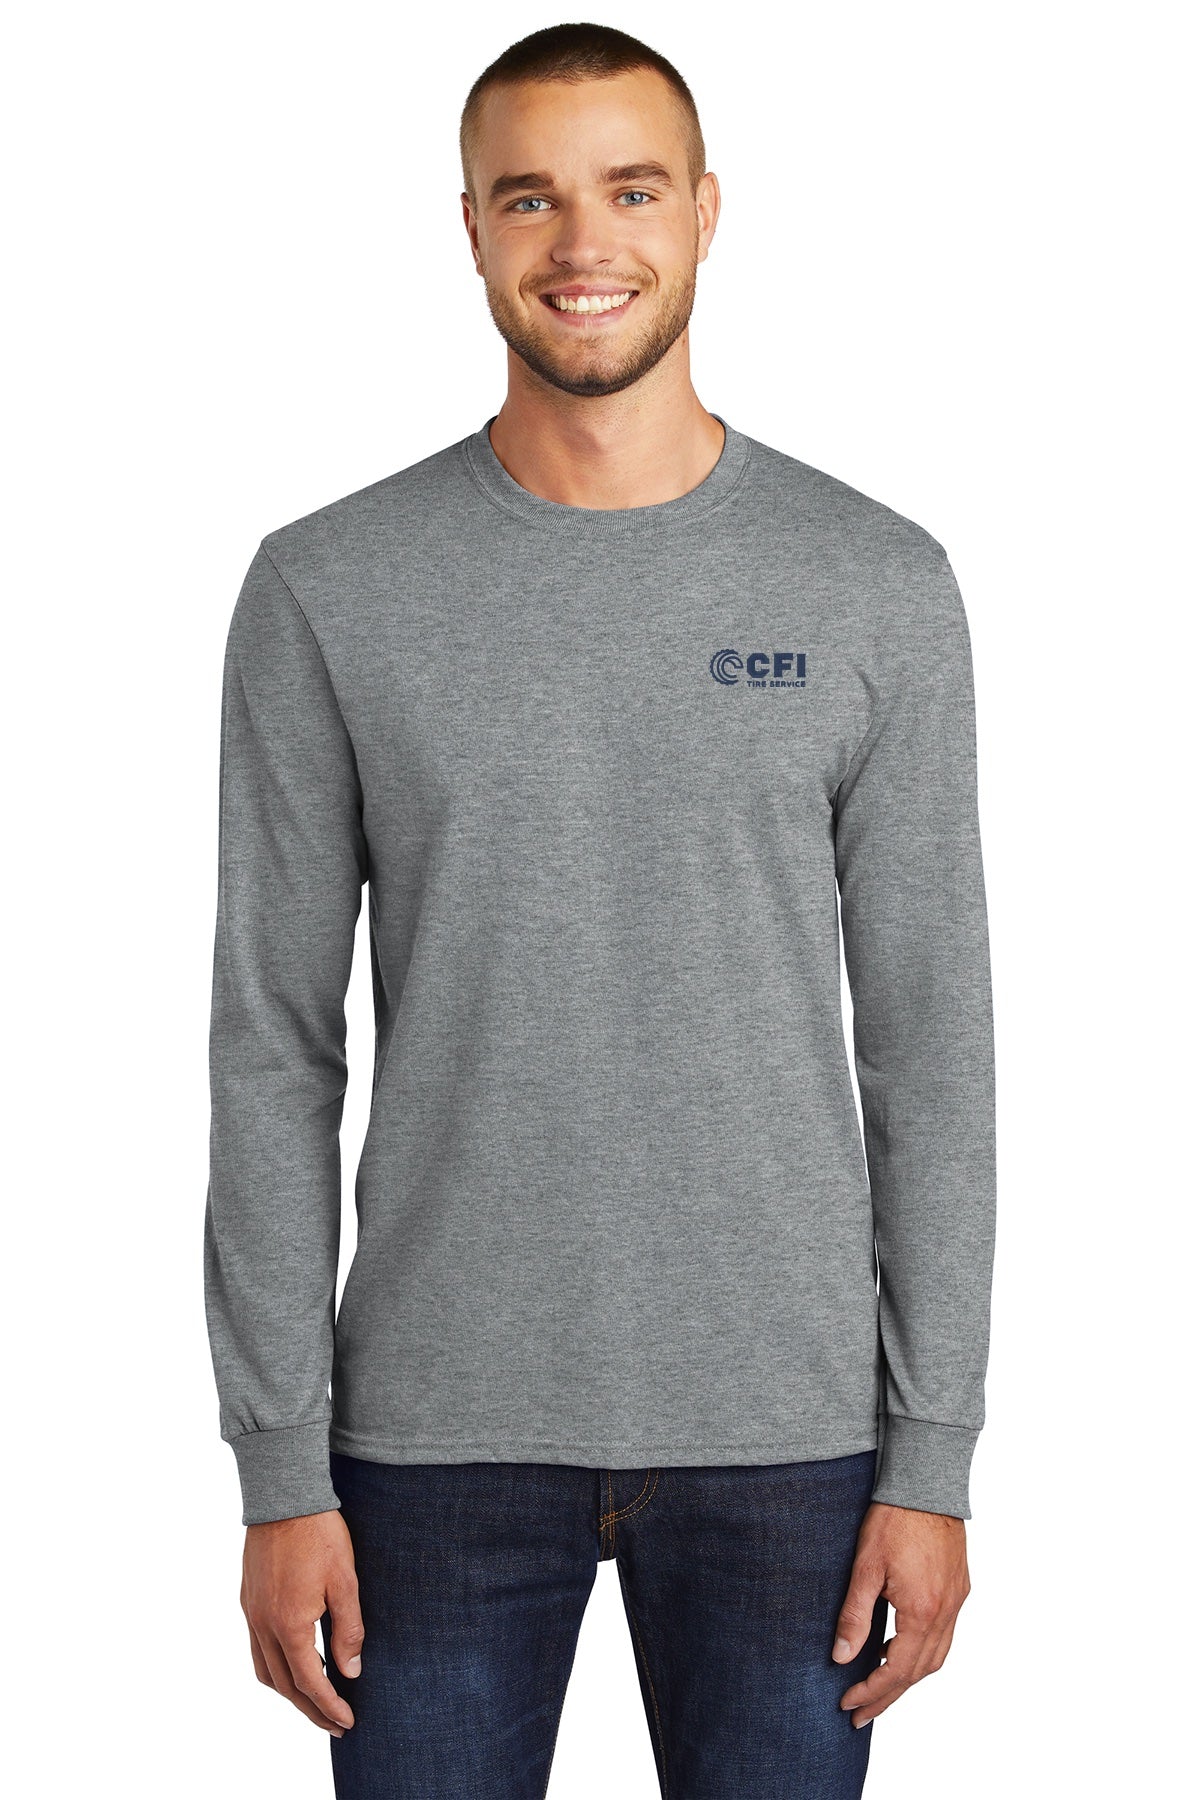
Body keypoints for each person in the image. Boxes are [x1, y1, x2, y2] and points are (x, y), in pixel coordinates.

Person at [203, 22, 996, 1799]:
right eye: (530, 198)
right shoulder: (328, 590)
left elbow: (934, 1045)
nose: (584, 243)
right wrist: (280, 1467)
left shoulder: (875, 585)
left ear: (706, 213)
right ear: (470, 230)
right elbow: (271, 1047)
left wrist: (932, 1454)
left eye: (631, 191)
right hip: (425, 1443)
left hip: (792, 1444)